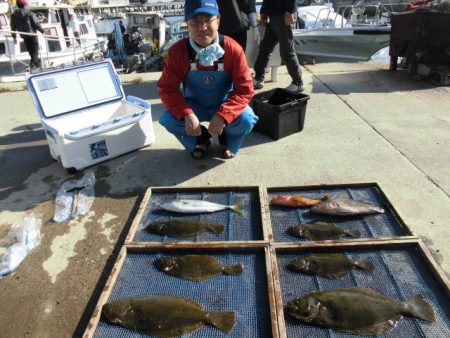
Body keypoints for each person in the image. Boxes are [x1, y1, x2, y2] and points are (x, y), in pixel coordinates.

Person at [158, 0, 258, 159]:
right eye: (195, 21)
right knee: (169, 120)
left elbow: (245, 90)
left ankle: (227, 139)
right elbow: (166, 89)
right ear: (187, 24)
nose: (202, 27)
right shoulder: (178, 51)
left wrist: (224, 115)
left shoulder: (233, 49)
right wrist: (186, 113)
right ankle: (201, 138)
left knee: (246, 119)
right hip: (194, 105)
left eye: (207, 20)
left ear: (218, 21)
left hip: (223, 103)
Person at [253, 0, 304, 92]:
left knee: (287, 52)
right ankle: (258, 79)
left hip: (283, 15)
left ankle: (298, 83)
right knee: (265, 48)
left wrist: (289, 11)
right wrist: (263, 12)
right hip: (273, 16)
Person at [10, 0, 45, 70]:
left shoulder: (13, 15)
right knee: (35, 50)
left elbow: (13, 27)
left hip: (24, 35)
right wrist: (42, 31)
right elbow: (36, 23)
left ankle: (37, 64)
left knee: (31, 51)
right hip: (32, 34)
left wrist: (14, 37)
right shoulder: (29, 13)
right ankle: (33, 65)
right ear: (25, 5)